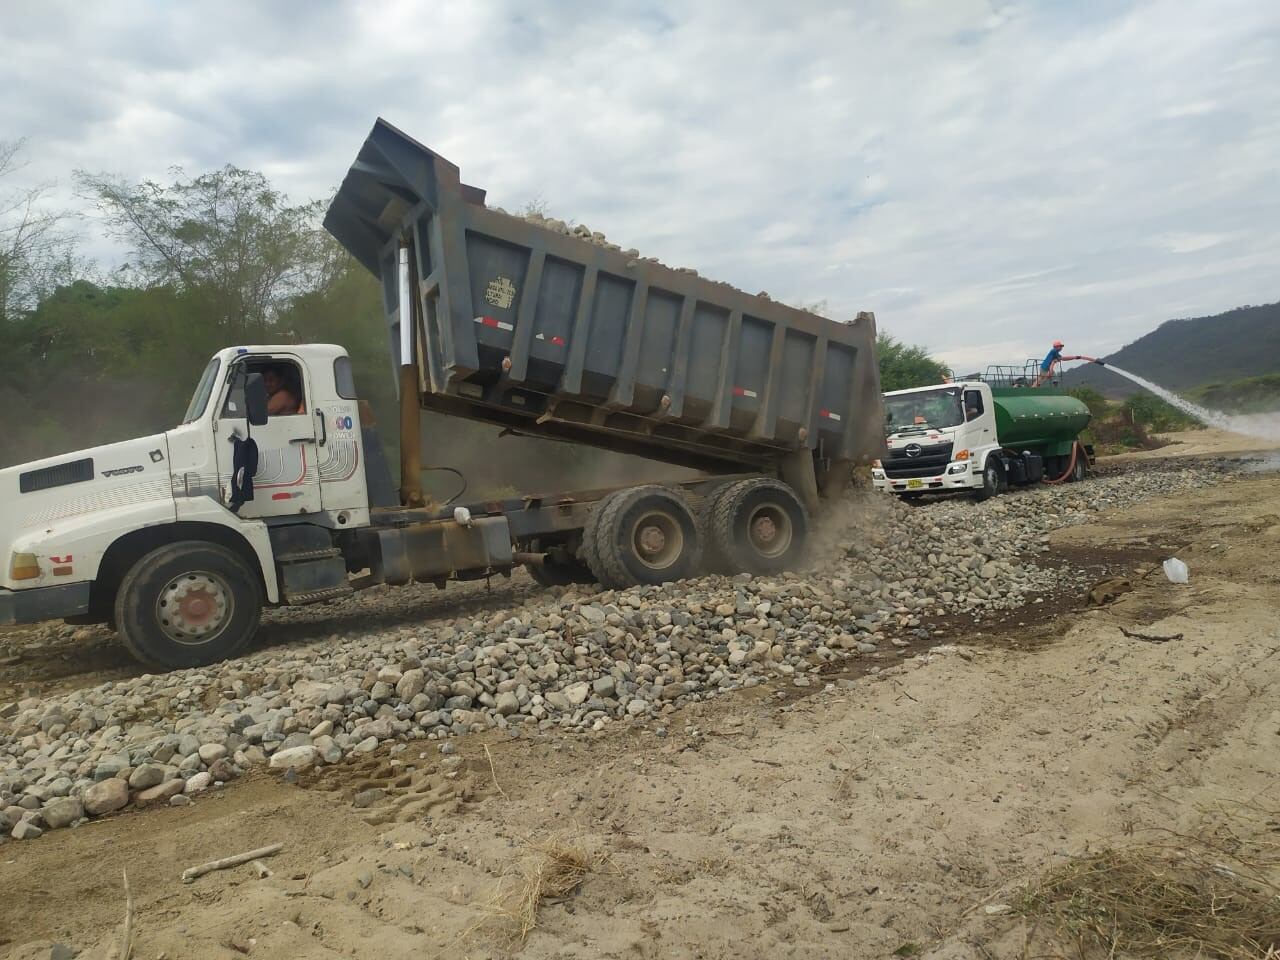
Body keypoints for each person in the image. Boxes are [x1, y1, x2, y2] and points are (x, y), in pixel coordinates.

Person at [1032, 341, 1100, 387]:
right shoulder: (1054, 351)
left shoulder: (1055, 353)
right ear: (1056, 347)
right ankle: (1037, 386)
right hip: (1045, 367)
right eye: (1060, 346)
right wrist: (1075, 357)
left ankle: (1035, 386)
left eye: (1061, 346)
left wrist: (1075, 357)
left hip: (1045, 367)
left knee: (1044, 376)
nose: (1061, 348)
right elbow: (1062, 358)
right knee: (1048, 375)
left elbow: (1064, 358)